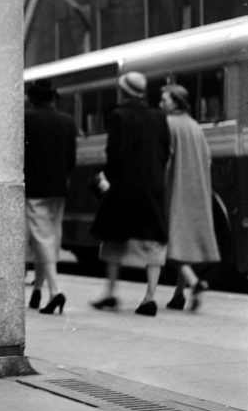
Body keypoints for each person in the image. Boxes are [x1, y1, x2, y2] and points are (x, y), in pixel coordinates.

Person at [91, 71, 170, 317]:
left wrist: (108, 179)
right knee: (153, 241)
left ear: (123, 91)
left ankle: (111, 293)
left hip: (125, 185)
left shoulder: (118, 116)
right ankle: (150, 297)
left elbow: (115, 155)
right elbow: (165, 151)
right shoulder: (159, 116)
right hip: (152, 184)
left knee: (114, 237)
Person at [160, 84, 220, 311]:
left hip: (174, 189)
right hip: (196, 189)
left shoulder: (168, 124)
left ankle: (194, 282)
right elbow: (208, 157)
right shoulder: (195, 125)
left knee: (170, 242)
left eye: (164, 99)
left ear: (176, 102)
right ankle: (178, 294)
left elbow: (166, 159)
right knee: (183, 242)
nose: (160, 103)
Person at [24, 79, 77, 314]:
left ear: (32, 97)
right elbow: (71, 159)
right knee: (50, 237)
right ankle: (37, 289)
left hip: (35, 188)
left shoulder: (27, 119)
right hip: (59, 188)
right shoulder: (67, 121)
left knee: (41, 239)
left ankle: (55, 291)